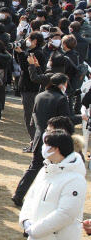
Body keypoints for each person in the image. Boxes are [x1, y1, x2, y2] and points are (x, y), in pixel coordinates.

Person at [13, 73, 83, 206]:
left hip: (40, 136)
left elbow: (33, 114)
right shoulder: (61, 98)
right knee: (57, 170)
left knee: (34, 167)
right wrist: (81, 118)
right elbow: (67, 120)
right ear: (62, 85)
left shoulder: (40, 95)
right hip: (55, 140)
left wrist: (36, 131)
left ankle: (18, 194)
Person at [19, 130, 87, 240]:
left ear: (55, 149)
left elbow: (65, 214)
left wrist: (36, 230)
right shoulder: (46, 170)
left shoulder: (75, 179)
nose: (43, 148)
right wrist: (25, 220)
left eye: (46, 144)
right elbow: (31, 197)